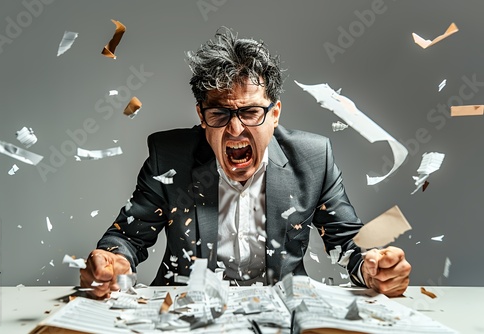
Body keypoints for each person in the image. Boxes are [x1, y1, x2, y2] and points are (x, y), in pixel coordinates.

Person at [80, 27, 411, 299]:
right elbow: (129, 237)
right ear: (201, 116)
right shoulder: (169, 157)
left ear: (275, 114)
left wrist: (372, 265)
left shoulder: (313, 159)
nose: (235, 128)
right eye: (219, 113)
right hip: (187, 317)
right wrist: (112, 260)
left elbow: (348, 241)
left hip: (283, 316)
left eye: (251, 112)